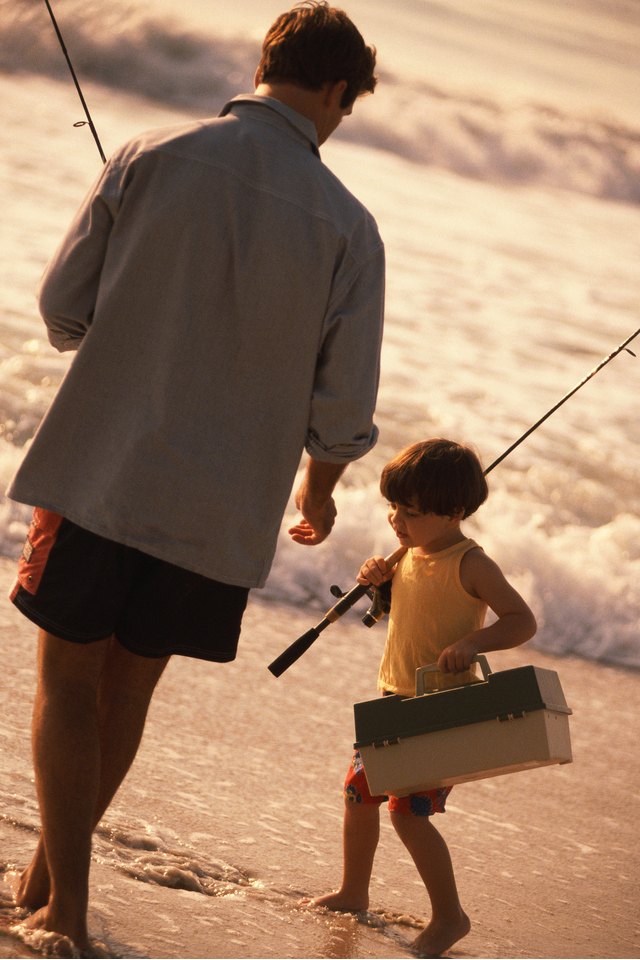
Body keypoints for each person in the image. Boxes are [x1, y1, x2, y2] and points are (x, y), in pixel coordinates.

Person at [6, 2, 383, 951]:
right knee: (127, 692)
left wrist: (135, 346)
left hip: (104, 471)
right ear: (336, 90)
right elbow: (341, 414)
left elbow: (60, 310)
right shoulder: (351, 226)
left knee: (67, 684)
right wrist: (321, 488)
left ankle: (63, 899)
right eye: (345, 109)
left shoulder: (148, 152)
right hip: (218, 513)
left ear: (265, 63)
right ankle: (50, 886)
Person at [309, 438, 537, 957]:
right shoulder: (409, 552)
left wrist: (473, 643)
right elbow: (403, 615)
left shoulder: (471, 563)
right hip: (393, 697)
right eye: (394, 508)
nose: (397, 520)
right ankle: (353, 892)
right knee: (358, 795)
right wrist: (379, 586)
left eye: (411, 512)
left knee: (408, 813)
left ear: (455, 512)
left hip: (440, 709)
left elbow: (522, 620)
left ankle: (450, 917)